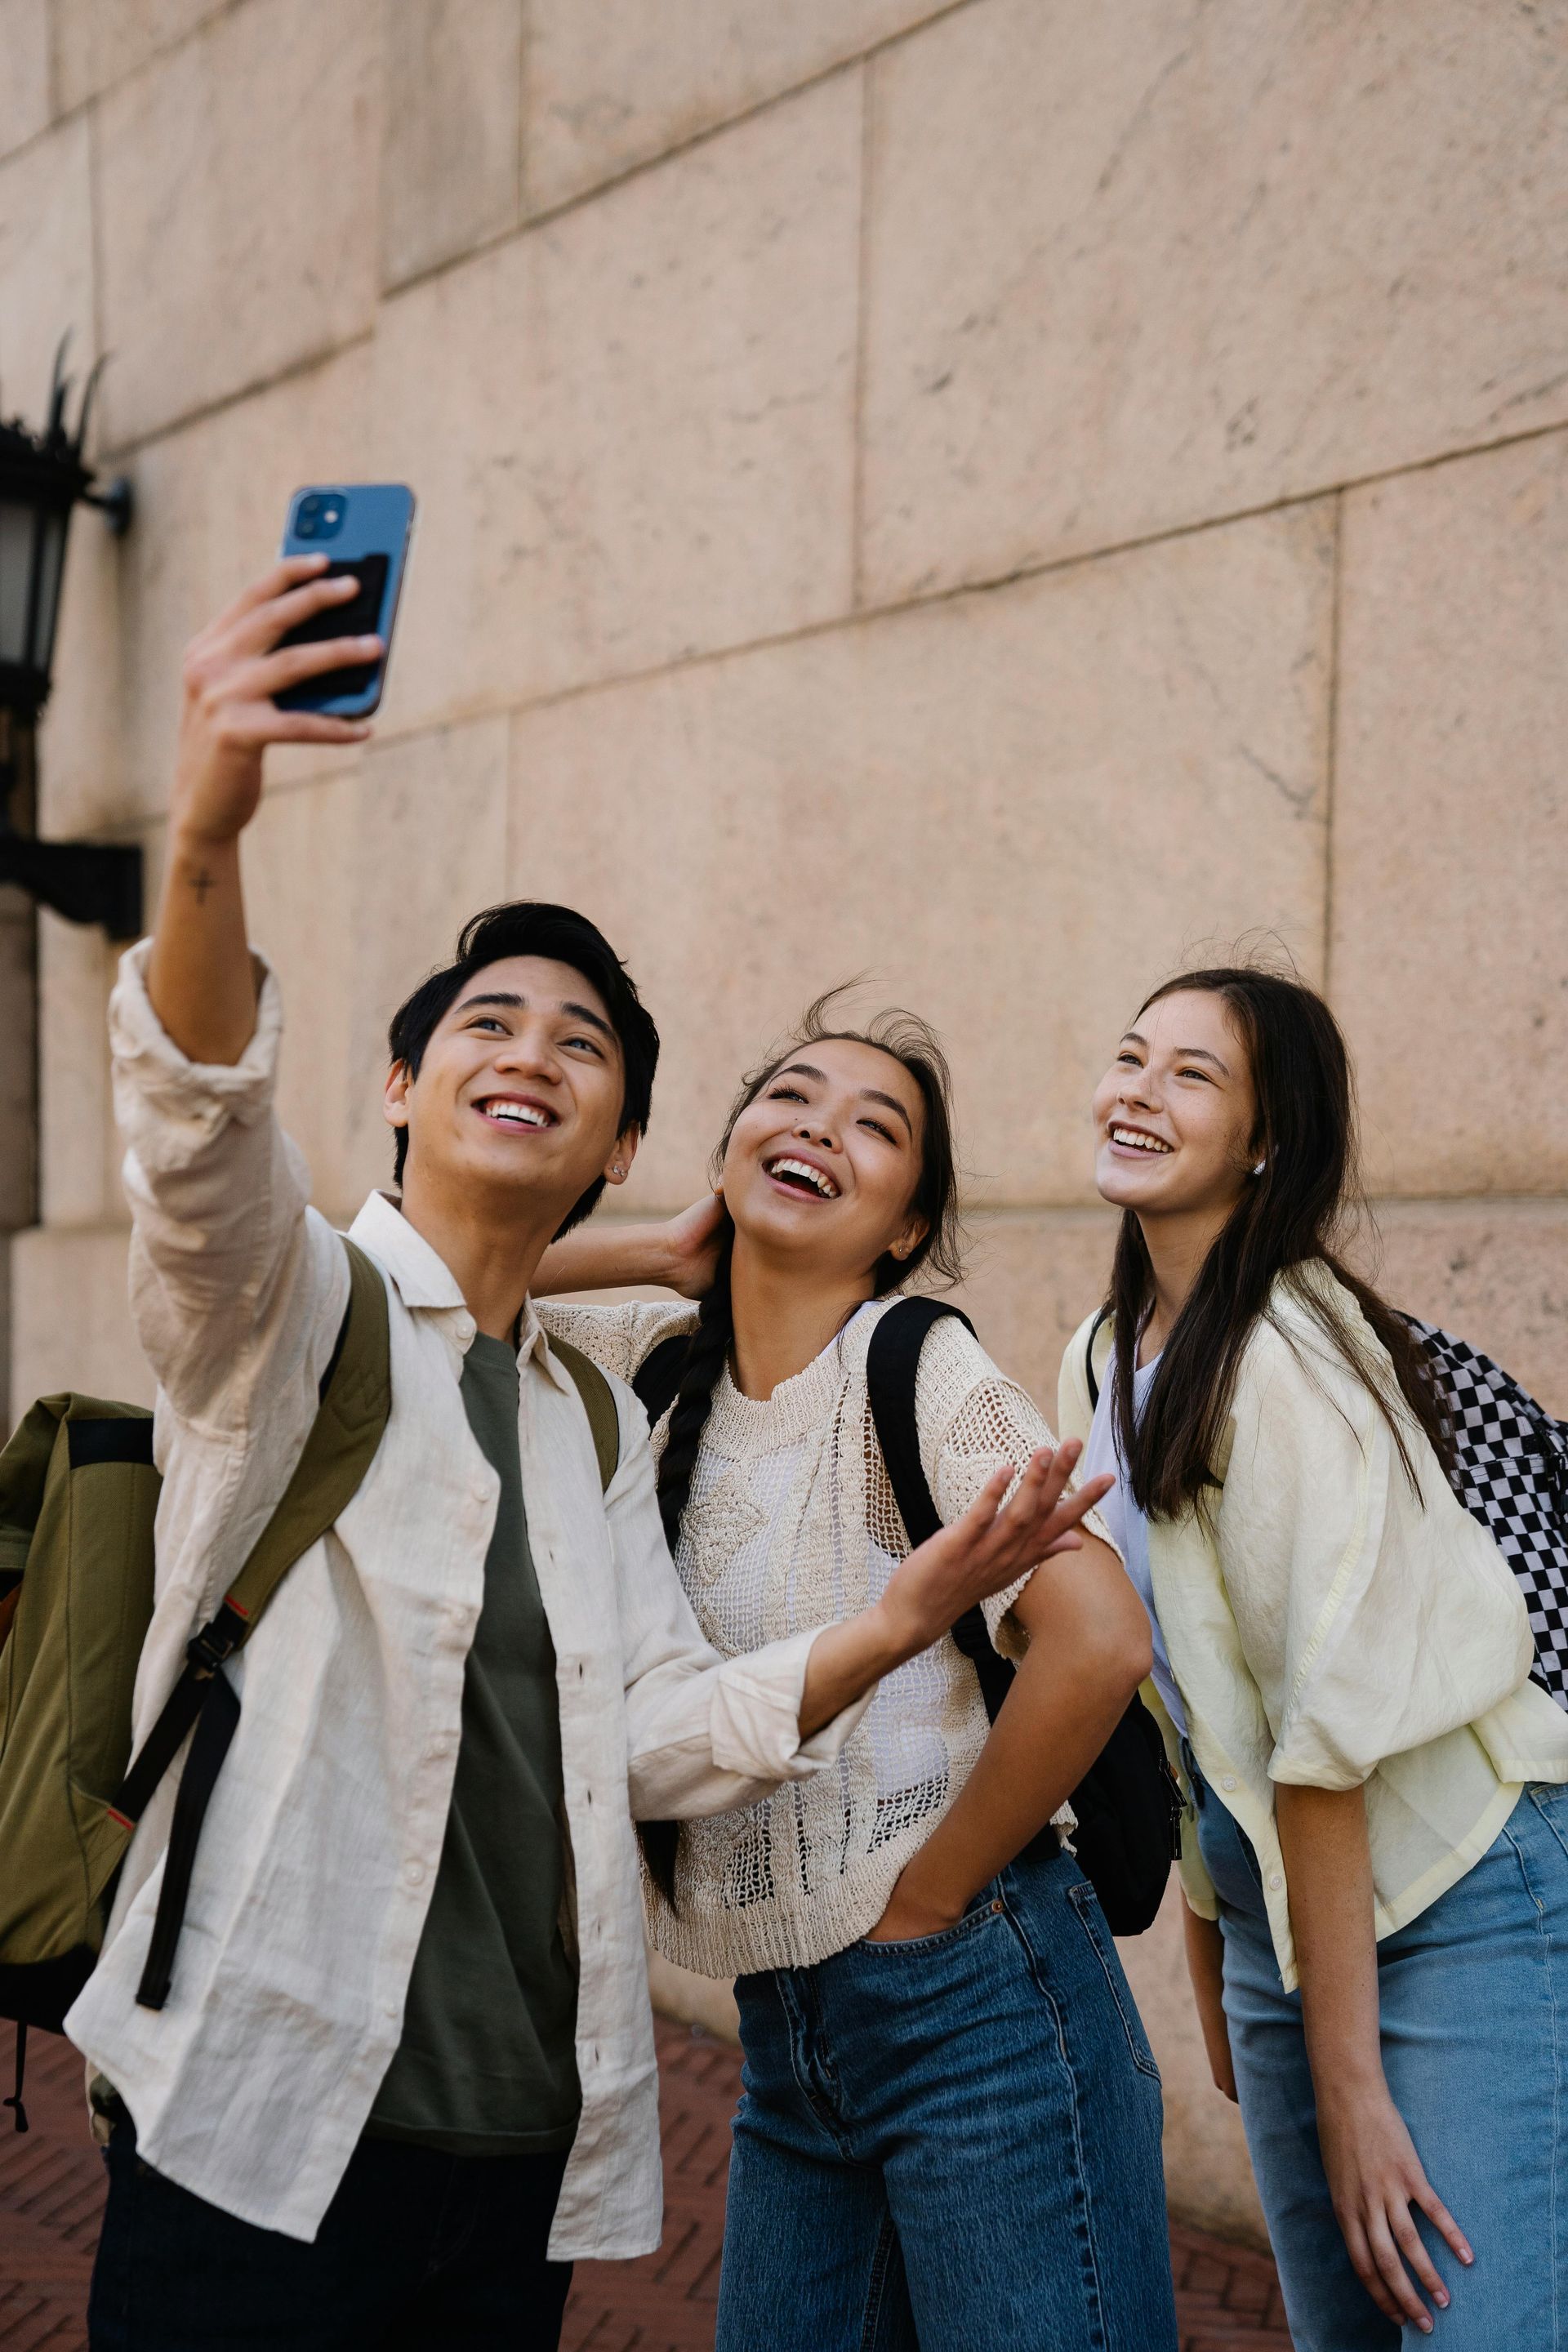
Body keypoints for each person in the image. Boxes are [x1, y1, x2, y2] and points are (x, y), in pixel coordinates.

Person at [70, 558, 1107, 2352]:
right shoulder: (287, 1311)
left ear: (622, 1136)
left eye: (585, 1048)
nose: (532, 1053)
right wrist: (210, 829)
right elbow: (198, 1144)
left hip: (517, 2157)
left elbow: (644, 1732)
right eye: (486, 1024)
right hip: (255, 2123)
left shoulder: (585, 1413)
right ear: (396, 1088)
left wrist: (896, 1620)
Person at [532, 996, 1178, 2352]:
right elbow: (437, 1283)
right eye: (789, 1098)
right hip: (785, 2042)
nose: (819, 1127)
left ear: (901, 1230)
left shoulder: (921, 1364)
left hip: (979, 2007)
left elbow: (1102, 1639)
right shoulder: (644, 1363)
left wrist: (931, 1893)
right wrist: (660, 1246)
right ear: (724, 1156)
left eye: (875, 1127)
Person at [1062, 964, 1568, 2350]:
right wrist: (1219, 1941)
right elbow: (1181, 1703)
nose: (1139, 1092)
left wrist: (1349, 2088)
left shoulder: (1293, 1363)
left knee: (1469, 2320)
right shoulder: (1101, 1360)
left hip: (1455, 1882)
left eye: (1192, 1075)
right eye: (1130, 1054)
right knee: (1343, 2328)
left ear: (1267, 1138)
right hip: (1282, 1896)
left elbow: (1328, 1734)